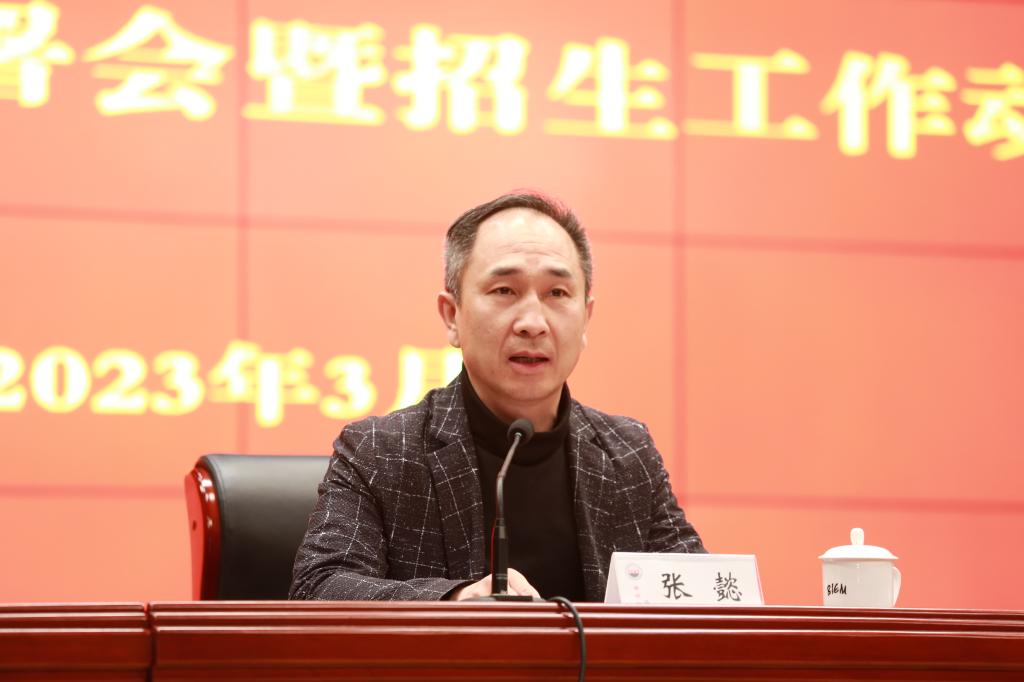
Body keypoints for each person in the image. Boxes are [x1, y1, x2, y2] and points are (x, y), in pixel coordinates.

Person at [290, 192, 704, 602]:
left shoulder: (628, 454)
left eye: (557, 293)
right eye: (505, 290)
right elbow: (319, 587)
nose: (533, 323)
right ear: (452, 316)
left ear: (586, 319)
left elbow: (703, 595)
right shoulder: (380, 452)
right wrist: (455, 602)